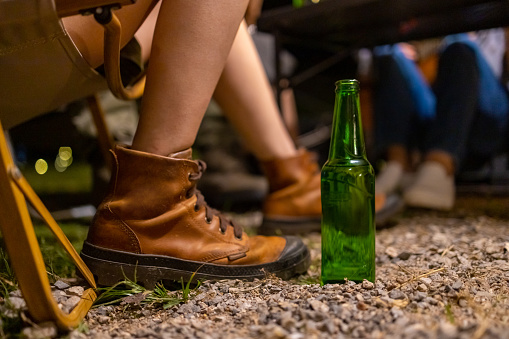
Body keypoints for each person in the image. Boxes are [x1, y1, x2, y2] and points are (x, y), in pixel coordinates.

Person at [1, 0, 395, 286]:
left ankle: (290, 178)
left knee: (213, 18)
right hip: (20, 36)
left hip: (25, 37)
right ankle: (153, 205)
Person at [373, 29, 509, 211]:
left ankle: (440, 164)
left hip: (490, 114)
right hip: (445, 109)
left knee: (459, 43)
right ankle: (398, 166)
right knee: (388, 51)